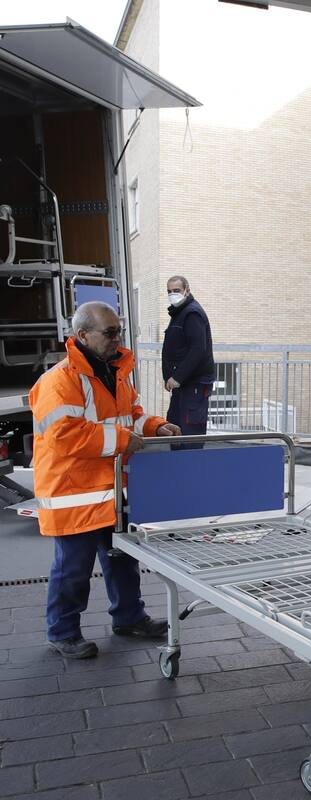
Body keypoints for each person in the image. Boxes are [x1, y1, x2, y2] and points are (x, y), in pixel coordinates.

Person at [30, 301, 180, 659]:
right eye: (110, 332)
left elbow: (131, 416)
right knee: (73, 570)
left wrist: (154, 425)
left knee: (122, 560)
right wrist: (126, 439)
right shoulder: (59, 381)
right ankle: (62, 632)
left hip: (110, 492)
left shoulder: (115, 373)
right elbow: (66, 436)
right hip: (75, 494)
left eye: (119, 332)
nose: (117, 339)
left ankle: (129, 618)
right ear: (81, 335)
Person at [162, 275, 214, 447]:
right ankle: (177, 470)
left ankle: (190, 471)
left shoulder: (192, 313)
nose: (172, 294)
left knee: (190, 435)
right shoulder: (179, 313)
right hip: (183, 387)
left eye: (176, 290)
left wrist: (177, 377)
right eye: (169, 291)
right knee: (175, 430)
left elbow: (198, 350)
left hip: (193, 385)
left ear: (187, 290)